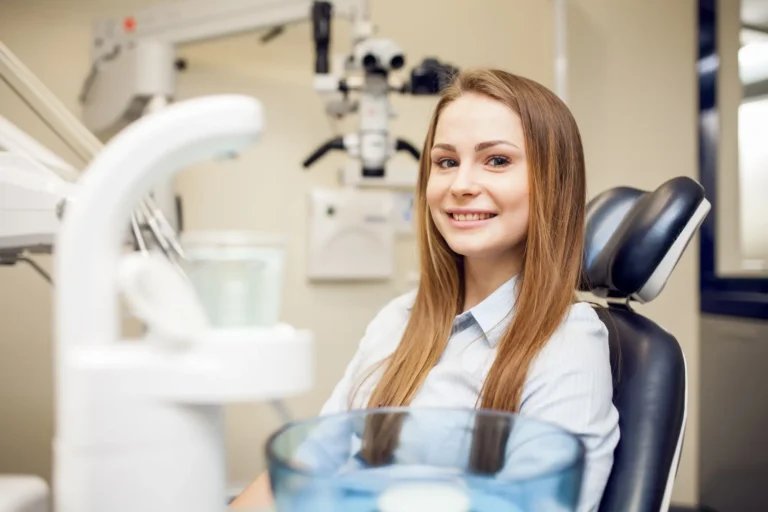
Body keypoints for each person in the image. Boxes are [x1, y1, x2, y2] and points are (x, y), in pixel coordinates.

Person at [230, 68, 620, 511]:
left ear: (552, 182)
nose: (461, 185)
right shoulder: (399, 318)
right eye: (446, 162)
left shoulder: (567, 343)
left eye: (497, 160)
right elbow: (307, 465)